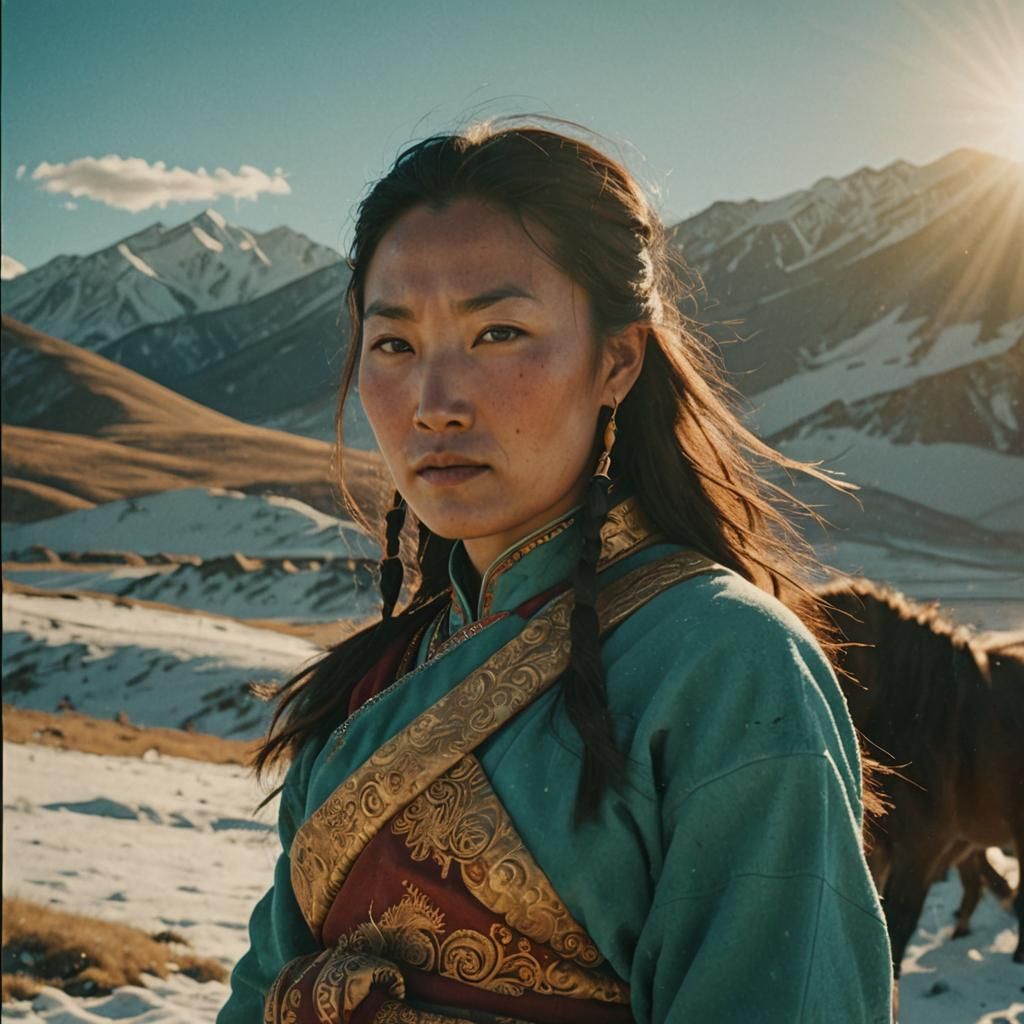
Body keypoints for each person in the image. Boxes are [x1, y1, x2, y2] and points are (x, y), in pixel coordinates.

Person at [218, 119, 893, 1024]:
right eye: (394, 345)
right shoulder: (371, 687)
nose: (436, 404)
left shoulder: (726, 665)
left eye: (498, 332)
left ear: (617, 359)